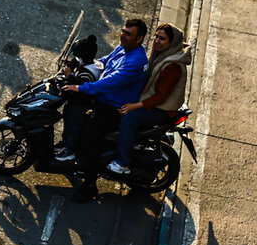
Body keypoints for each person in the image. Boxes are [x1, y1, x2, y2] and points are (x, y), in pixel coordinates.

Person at [58, 19, 150, 197]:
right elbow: (104, 62)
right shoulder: (123, 48)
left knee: (89, 137)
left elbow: (109, 82)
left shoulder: (136, 61)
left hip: (113, 107)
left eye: (128, 34)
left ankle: (90, 184)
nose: (123, 35)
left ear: (139, 39)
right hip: (103, 98)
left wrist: (80, 87)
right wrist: (83, 64)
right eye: (123, 31)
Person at [108, 23, 191, 175]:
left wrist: (134, 106)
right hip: (151, 102)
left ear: (171, 43)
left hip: (162, 109)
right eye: (156, 37)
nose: (157, 41)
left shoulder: (172, 65)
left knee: (129, 119)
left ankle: (122, 163)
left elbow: (160, 96)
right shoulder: (158, 55)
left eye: (162, 39)